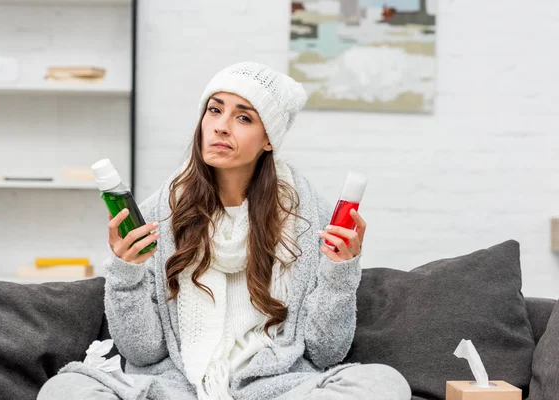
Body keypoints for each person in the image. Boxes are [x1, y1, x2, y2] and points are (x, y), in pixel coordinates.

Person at [38, 62, 411, 400]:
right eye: (214, 110)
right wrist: (125, 271)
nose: (220, 125)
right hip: (180, 388)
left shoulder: (308, 218)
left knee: (382, 384)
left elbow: (325, 352)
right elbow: (141, 352)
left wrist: (338, 275)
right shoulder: (156, 214)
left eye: (243, 118)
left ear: (269, 140)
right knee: (64, 389)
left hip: (276, 389)